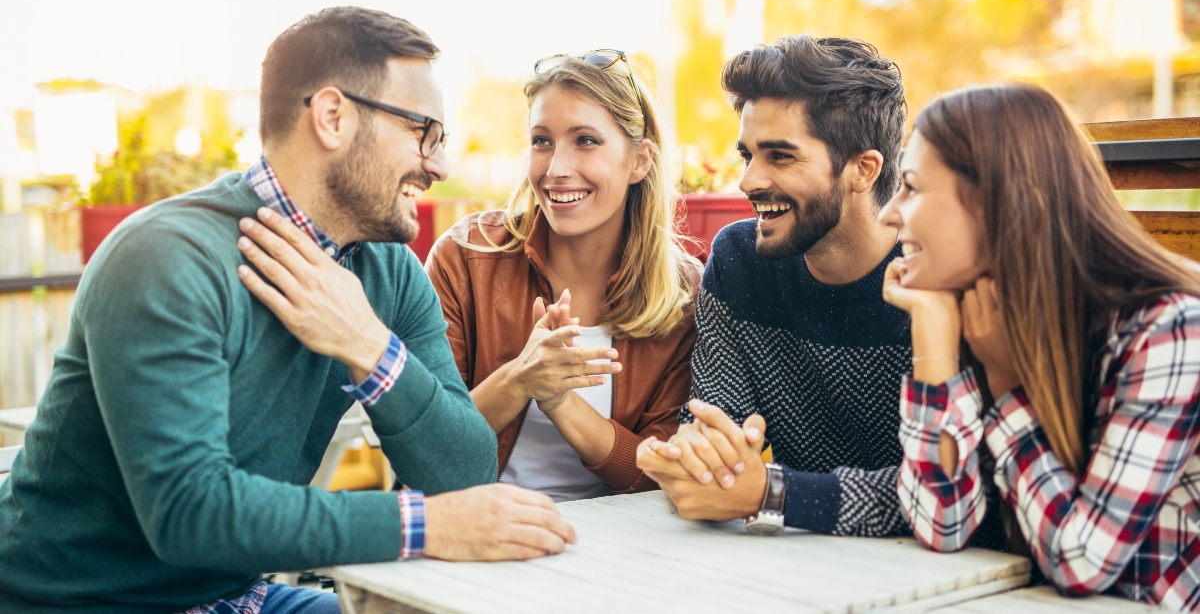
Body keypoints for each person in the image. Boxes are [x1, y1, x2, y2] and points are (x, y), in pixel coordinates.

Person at [0, 8, 575, 614]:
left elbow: (465, 469)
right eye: (422, 132)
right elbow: (188, 512)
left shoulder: (388, 271)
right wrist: (426, 526)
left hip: (235, 598)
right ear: (332, 117)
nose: (439, 165)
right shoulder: (166, 259)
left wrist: (368, 346)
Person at [881, 83, 1200, 610]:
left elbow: (1081, 560)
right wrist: (934, 333)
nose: (888, 215)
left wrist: (1009, 385)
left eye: (911, 188)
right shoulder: (977, 314)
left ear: (994, 203)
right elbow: (943, 523)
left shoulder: (1169, 330)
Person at [637, 35, 918, 538]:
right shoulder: (740, 261)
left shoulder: (938, 278)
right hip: (793, 566)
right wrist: (696, 455)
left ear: (863, 168)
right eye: (747, 155)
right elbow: (715, 421)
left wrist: (776, 493)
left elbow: (957, 494)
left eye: (780, 157)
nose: (747, 181)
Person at [424, 51, 700, 502]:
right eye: (542, 141)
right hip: (474, 527)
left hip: (619, 544)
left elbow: (662, 473)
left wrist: (561, 401)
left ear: (640, 161)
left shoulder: (685, 293)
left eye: (585, 140)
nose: (555, 169)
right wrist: (520, 381)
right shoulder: (465, 257)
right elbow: (426, 444)